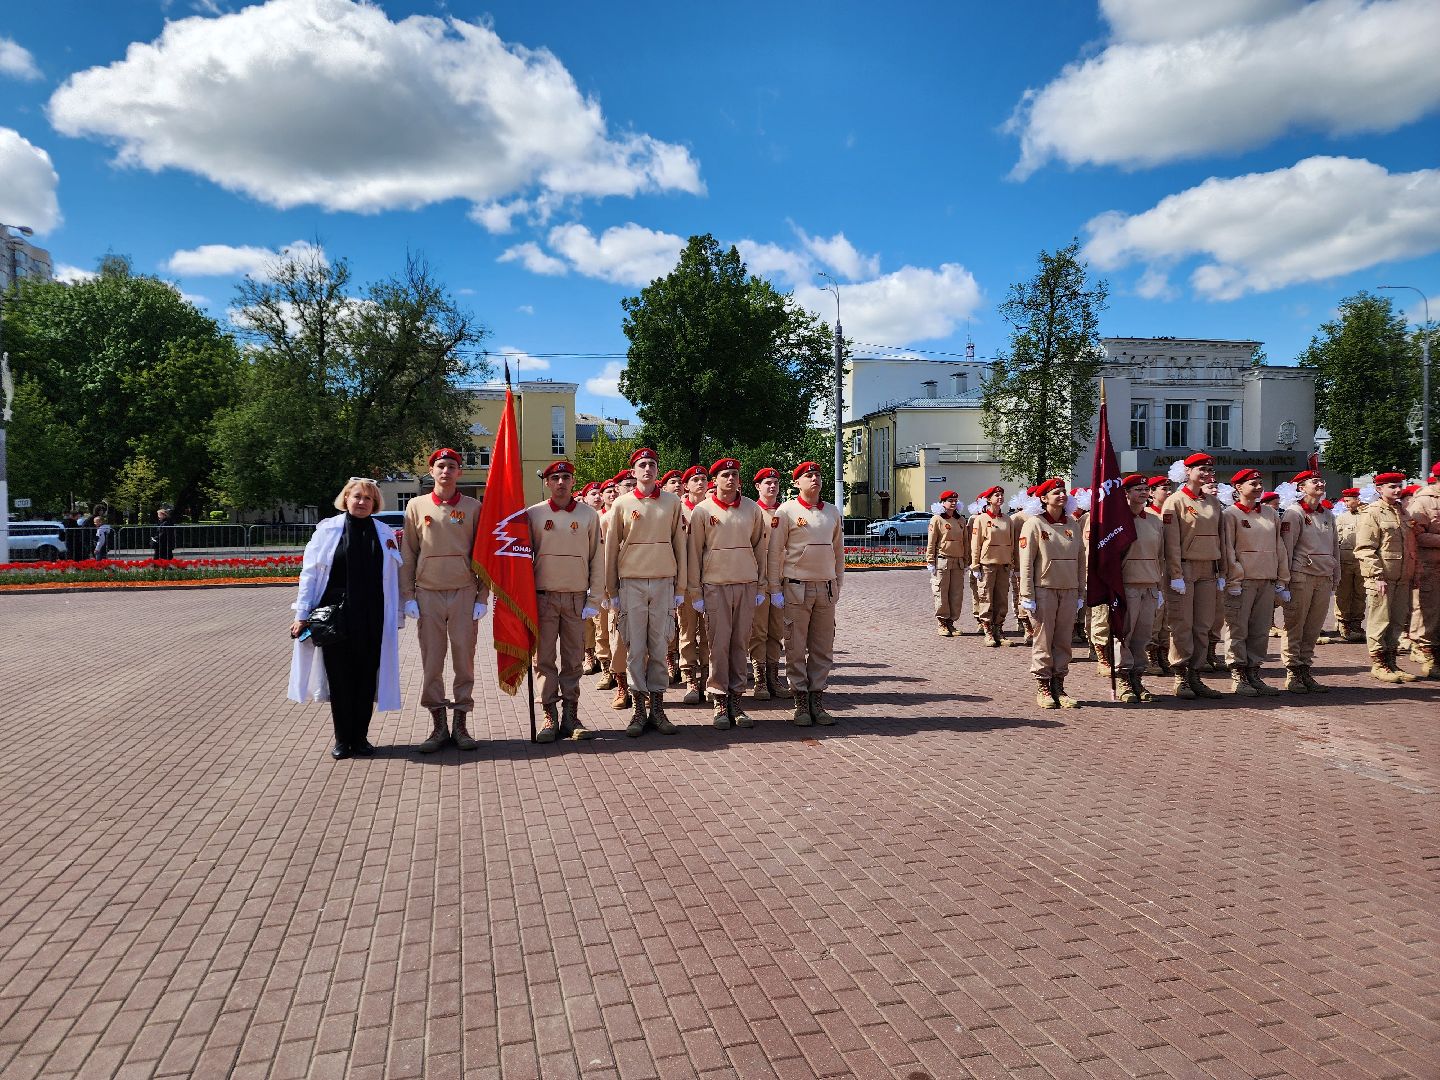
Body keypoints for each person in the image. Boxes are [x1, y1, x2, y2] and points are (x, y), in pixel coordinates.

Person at [288, 478, 404, 759]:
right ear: (346, 499)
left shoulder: (384, 532)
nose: (362, 502)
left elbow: (394, 576)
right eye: (357, 497)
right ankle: (342, 739)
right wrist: (301, 614)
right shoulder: (327, 531)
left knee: (366, 678)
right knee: (340, 679)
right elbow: (310, 573)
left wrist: (399, 612)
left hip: (372, 617)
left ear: (375, 503)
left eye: (368, 498)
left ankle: (361, 738)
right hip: (335, 618)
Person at [401, 448, 489, 753]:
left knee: (464, 661)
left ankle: (460, 725)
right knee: (432, 662)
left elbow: (483, 555)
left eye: (452, 466)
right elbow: (408, 553)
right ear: (431, 471)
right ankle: (438, 726)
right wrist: (408, 596)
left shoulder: (473, 507)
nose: (446, 471)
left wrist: (482, 595)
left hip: (463, 593)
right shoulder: (416, 506)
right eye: (440, 466)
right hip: (428, 593)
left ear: (459, 472)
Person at [604, 448, 687, 737]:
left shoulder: (672, 502)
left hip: (664, 582)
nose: (648, 469)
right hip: (632, 583)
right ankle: (639, 709)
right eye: (642, 465)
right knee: (635, 649)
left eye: (652, 464)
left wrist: (681, 586)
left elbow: (680, 544)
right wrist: (612, 589)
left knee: (660, 647)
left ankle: (658, 709)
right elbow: (611, 548)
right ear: (634, 471)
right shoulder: (622, 504)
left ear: (657, 469)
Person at [687, 457, 768, 729]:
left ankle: (736, 699)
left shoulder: (752, 509)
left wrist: (760, 585)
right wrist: (695, 592)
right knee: (718, 645)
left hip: (745, 584)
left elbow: (759, 549)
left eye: (734, 474)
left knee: (740, 644)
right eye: (725, 475)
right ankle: (719, 698)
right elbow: (694, 553)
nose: (730, 479)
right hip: (715, 586)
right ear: (715, 480)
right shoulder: (702, 511)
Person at [528, 461, 602, 743]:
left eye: (566, 477)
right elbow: (521, 557)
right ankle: (549, 715)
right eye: (555, 477)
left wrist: (594, 597)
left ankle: (571, 716)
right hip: (543, 597)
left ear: (573, 482)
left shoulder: (588, 515)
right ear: (547, 482)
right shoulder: (533, 514)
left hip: (576, 598)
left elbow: (597, 558)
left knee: (573, 659)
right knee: (544, 659)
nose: (561, 482)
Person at [769, 461, 845, 725]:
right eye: (808, 475)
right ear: (796, 482)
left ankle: (817, 699)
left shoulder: (832, 512)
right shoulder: (787, 511)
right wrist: (775, 587)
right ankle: (800, 700)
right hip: (796, 588)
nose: (814, 479)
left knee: (823, 647)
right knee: (795, 646)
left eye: (817, 475)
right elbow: (775, 551)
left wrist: (838, 582)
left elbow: (838, 552)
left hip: (825, 588)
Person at [1018, 478, 1086, 709]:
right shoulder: (1034, 524)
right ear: (1043, 498)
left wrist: (1080, 591)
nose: (1062, 495)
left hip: (1068, 590)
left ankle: (1059, 685)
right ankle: (1043, 686)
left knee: (1063, 640)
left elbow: (1080, 560)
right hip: (1044, 590)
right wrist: (1027, 595)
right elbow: (1026, 562)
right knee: (1043, 639)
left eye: (1063, 491)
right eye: (1056, 492)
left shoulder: (1072, 523)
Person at [1162, 453, 1225, 700]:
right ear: (1187, 471)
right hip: (1185, 569)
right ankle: (1180, 674)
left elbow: (1221, 538)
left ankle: (1196, 674)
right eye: (1201, 469)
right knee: (1182, 624)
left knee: (1203, 625)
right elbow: (1171, 542)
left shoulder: (1213, 502)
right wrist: (1175, 574)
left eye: (1209, 469)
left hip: (1208, 569)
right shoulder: (1175, 501)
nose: (1207, 473)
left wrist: (1222, 570)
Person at [1220, 469, 1287, 696]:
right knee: (1237, 628)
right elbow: (1228, 549)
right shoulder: (1230, 514)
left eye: (1260, 483)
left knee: (1260, 630)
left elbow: (1279, 547)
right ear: (1238, 487)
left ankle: (1253, 672)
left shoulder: (1270, 513)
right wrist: (1234, 578)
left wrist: (1282, 577)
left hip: (1266, 579)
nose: (1259, 487)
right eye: (1253, 484)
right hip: (1242, 581)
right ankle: (1238, 674)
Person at [1279, 470, 1342, 693]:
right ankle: (1293, 672)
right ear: (1301, 487)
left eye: (1321, 480)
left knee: (1314, 627)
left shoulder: (1327, 514)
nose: (1320, 484)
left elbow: (1334, 547)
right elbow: (1286, 549)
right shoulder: (1294, 513)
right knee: (1295, 625)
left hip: (1323, 576)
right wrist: (1284, 580)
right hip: (1301, 576)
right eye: (1314, 481)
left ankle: (1305, 668)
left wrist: (1336, 575)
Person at [1355, 471, 1418, 682]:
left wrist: (1413, 573)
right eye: (1392, 486)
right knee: (1379, 621)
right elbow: (1365, 548)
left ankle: (1391, 662)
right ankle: (1379, 664)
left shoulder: (1403, 512)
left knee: (1397, 622)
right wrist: (1376, 576)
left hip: (1402, 577)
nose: (1398, 490)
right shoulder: (1372, 512)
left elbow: (1410, 546)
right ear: (1379, 489)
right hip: (1382, 578)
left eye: (1399, 485)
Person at [1114, 475, 1163, 703]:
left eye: (1146, 489)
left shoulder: (1154, 521)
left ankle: (1137, 678)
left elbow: (1160, 556)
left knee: (1143, 636)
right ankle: (1123, 678)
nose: (1143, 492)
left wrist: (1159, 587)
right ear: (1126, 493)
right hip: (1127, 585)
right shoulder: (1117, 521)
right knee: (1124, 634)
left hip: (1150, 585)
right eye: (1138, 489)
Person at [747, 467, 788, 700]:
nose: (772, 486)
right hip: (759, 581)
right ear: (758, 487)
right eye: (767, 483)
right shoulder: (753, 512)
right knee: (759, 631)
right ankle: (759, 679)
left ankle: (774, 677)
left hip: (780, 581)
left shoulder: (785, 512)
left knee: (776, 631)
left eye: (775, 483)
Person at [676, 465, 711, 702]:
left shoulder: (711, 509)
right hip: (685, 580)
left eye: (703, 479)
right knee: (687, 630)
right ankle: (689, 677)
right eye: (695, 479)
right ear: (686, 485)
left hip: (709, 578)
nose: (700, 483)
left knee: (709, 631)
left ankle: (707, 676)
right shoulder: (677, 509)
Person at [1405, 463, 1440, 678]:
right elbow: (1416, 535)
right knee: (1430, 614)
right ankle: (1430, 658)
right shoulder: (1423, 501)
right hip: (1431, 567)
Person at [969, 485, 1014, 647]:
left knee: (1001, 599)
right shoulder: (981, 519)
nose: (1000, 497)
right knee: (986, 598)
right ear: (989, 499)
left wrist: (1011, 562)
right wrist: (975, 565)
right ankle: (987, 630)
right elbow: (976, 544)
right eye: (996, 495)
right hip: (987, 564)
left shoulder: (1007, 519)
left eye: (1002, 495)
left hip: (1003, 564)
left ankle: (998, 629)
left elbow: (1012, 543)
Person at [925, 491, 967, 636]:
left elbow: (965, 542)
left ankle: (951, 622)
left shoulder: (960, 520)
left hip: (958, 561)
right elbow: (932, 541)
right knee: (941, 593)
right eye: (950, 500)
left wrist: (966, 561)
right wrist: (930, 560)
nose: (953, 503)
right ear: (943, 503)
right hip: (943, 561)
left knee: (956, 594)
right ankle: (942, 622)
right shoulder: (937, 519)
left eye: (955, 500)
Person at [1145, 476, 1176, 675]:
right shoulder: (1147, 515)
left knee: (1168, 615)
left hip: (1171, 569)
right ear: (1152, 492)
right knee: (1154, 615)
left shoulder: (1172, 512)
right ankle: (1150, 654)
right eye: (1164, 488)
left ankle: (1164, 652)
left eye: (1169, 488)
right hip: (1153, 569)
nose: (1169, 492)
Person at [1332, 487, 1366, 642]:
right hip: (1345, 561)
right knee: (1343, 594)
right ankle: (1343, 623)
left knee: (1360, 594)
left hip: (1362, 562)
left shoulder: (1367, 515)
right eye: (1344, 501)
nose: (1345, 504)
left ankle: (1356, 623)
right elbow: (1336, 539)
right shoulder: (1341, 518)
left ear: (1357, 500)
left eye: (1348, 501)